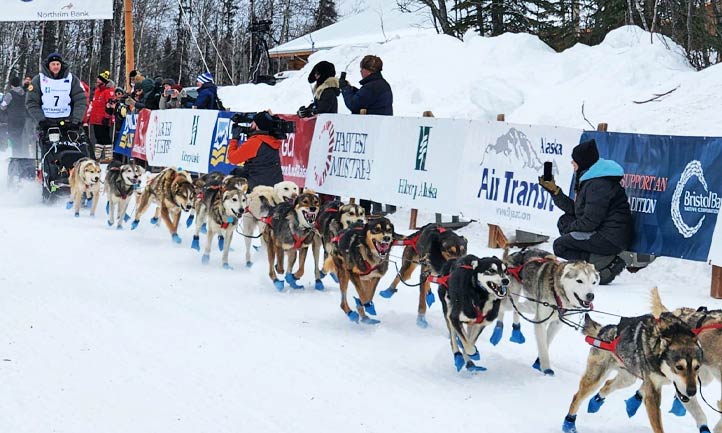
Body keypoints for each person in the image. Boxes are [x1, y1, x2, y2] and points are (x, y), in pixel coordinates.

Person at [538, 139, 632, 285]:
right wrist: (555, 191)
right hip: (604, 231)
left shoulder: (599, 185)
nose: (572, 163)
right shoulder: (592, 179)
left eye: (574, 160)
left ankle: (605, 265)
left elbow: (589, 222)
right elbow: (577, 211)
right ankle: (597, 259)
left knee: (560, 246)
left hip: (610, 238)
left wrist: (569, 231)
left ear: (583, 162)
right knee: (564, 221)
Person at [340, 55, 394, 214]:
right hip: (380, 132)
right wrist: (353, 91)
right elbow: (364, 99)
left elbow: (354, 104)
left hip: (371, 134)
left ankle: (365, 207)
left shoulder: (372, 87)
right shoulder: (381, 85)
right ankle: (369, 204)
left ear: (366, 70)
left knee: (366, 171)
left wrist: (345, 89)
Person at [26, 52, 87, 134]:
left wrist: (76, 120)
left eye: (58, 64)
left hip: (67, 121)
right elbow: (31, 102)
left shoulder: (71, 79)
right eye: (53, 64)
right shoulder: (38, 80)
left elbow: (80, 100)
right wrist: (41, 120)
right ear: (48, 65)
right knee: (47, 145)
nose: (56, 66)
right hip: (46, 122)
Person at [226, 111, 284, 191]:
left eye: (252, 122)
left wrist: (235, 139)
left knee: (236, 174)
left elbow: (232, 158)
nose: (250, 125)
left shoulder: (256, 142)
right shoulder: (272, 139)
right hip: (276, 185)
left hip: (257, 186)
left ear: (256, 125)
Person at [87, 70, 116, 162]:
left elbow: (110, 105)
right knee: (98, 137)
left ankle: (108, 156)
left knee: (105, 137)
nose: (97, 82)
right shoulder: (97, 91)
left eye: (99, 80)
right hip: (95, 118)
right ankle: (97, 156)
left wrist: (107, 117)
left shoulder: (109, 91)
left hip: (103, 119)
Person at [1, 77, 30, 154]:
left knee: (14, 138)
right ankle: (24, 153)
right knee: (22, 137)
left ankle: (16, 155)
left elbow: (3, 106)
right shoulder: (24, 93)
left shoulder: (10, 94)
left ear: (11, 85)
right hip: (23, 118)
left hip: (13, 119)